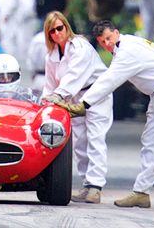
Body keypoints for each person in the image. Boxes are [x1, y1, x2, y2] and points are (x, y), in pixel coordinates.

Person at [61, 20, 154, 211]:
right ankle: (141, 192)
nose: (107, 44)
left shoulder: (127, 52)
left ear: (116, 33)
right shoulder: (127, 46)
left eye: (109, 38)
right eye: (103, 42)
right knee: (151, 143)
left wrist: (84, 104)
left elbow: (110, 80)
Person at [40, 11, 112, 205]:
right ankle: (87, 184)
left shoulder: (80, 46)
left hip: (96, 94)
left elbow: (74, 76)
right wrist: (45, 101)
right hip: (73, 98)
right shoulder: (52, 55)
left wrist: (57, 96)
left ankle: (95, 187)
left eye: (59, 28)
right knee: (80, 141)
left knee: (95, 138)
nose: (57, 33)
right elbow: (50, 84)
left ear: (66, 26)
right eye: (52, 31)